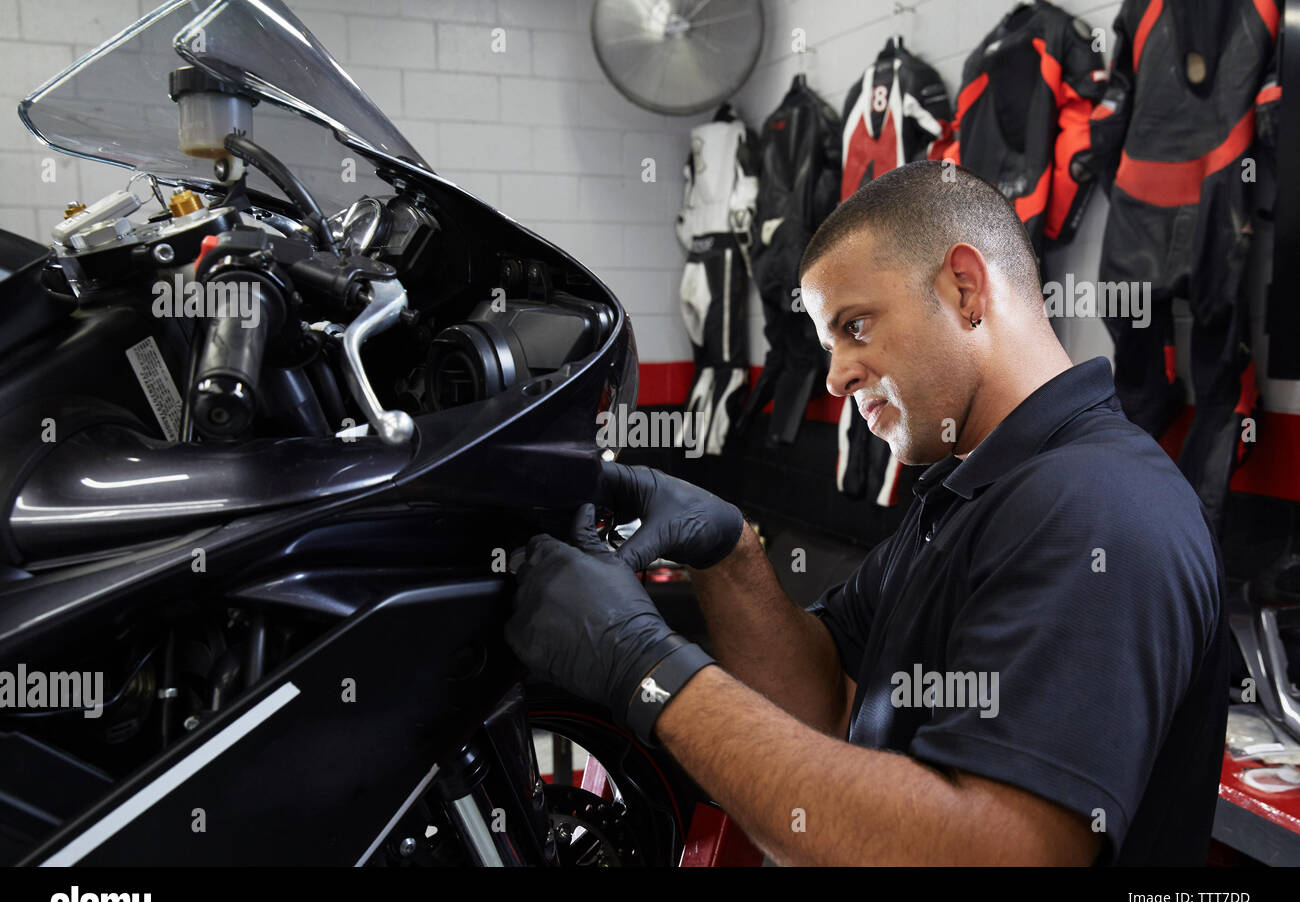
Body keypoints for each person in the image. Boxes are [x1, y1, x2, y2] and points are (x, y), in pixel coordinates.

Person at [506, 160, 1230, 866]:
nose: (836, 374)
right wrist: (730, 557)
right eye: (827, 344)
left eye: (856, 326)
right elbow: (823, 704)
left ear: (966, 289)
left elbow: (996, 850)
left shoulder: (1093, 507)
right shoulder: (970, 492)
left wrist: (645, 670)